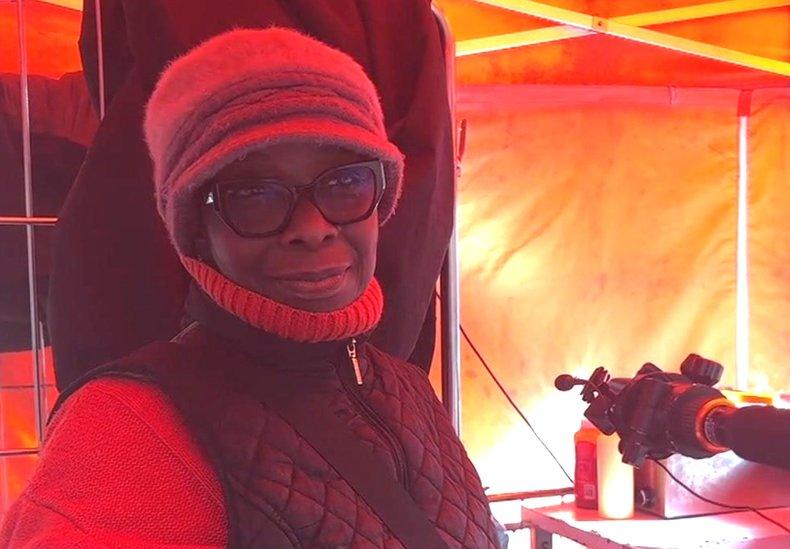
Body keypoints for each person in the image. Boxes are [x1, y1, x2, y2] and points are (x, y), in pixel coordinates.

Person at [1, 28, 499, 548]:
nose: (313, 226)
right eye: (256, 194)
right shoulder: (129, 430)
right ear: (196, 227)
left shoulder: (408, 389)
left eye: (346, 182)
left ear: (383, 197)